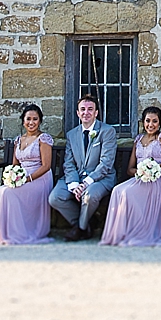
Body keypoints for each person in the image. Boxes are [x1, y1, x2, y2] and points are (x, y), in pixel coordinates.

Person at [100, 106, 161, 247]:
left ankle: (139, 232)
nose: (151, 125)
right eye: (148, 121)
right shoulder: (138, 140)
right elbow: (130, 169)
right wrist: (141, 172)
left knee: (127, 193)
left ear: (160, 123)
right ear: (143, 122)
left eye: (155, 121)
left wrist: (159, 167)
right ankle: (121, 233)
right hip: (140, 179)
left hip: (156, 182)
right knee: (117, 191)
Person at [48, 94, 117, 240]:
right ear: (78, 113)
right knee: (55, 198)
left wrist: (86, 183)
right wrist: (74, 184)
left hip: (100, 178)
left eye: (90, 109)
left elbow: (106, 163)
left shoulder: (107, 131)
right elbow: (68, 163)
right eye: (83, 109)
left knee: (89, 196)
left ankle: (80, 229)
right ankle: (86, 223)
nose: (86, 112)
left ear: (96, 113)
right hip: (76, 177)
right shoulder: (72, 134)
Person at [0, 104, 56, 246]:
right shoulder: (18, 140)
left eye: (35, 119)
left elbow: (46, 166)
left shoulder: (44, 139)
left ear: (40, 121)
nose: (31, 122)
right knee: (0, 191)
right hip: (22, 178)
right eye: (28, 119)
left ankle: (18, 232)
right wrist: (11, 178)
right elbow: (14, 165)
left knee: (8, 194)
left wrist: (28, 179)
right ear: (23, 121)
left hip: (39, 179)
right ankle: (2, 233)